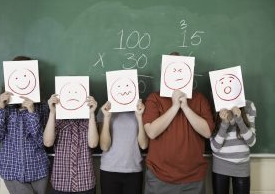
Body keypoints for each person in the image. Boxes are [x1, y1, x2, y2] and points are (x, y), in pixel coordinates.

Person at [142, 52, 215, 194]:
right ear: (164, 72)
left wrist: (185, 107)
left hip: (193, 178)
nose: (176, 73)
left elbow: (207, 132)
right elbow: (151, 132)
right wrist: (174, 106)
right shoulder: (154, 98)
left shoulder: (200, 99)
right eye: (172, 69)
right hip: (159, 177)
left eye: (180, 69)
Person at [0, 56, 50, 194]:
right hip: (11, 169)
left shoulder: (42, 105)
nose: (22, 80)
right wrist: (1, 109)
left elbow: (43, 142)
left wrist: (31, 112)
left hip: (38, 169)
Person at [43, 94, 99, 194]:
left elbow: (93, 144)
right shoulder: (56, 119)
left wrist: (91, 113)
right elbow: (47, 143)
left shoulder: (89, 119)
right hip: (61, 183)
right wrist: (52, 112)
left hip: (85, 183)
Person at [98, 99, 148, 194]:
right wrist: (107, 117)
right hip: (109, 170)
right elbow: (104, 146)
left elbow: (144, 145)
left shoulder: (140, 108)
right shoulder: (105, 109)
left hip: (133, 170)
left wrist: (140, 117)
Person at [210, 100, 256, 194]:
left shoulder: (249, 106)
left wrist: (239, 119)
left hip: (242, 166)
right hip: (220, 165)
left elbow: (251, 142)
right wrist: (224, 123)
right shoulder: (217, 105)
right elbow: (215, 147)